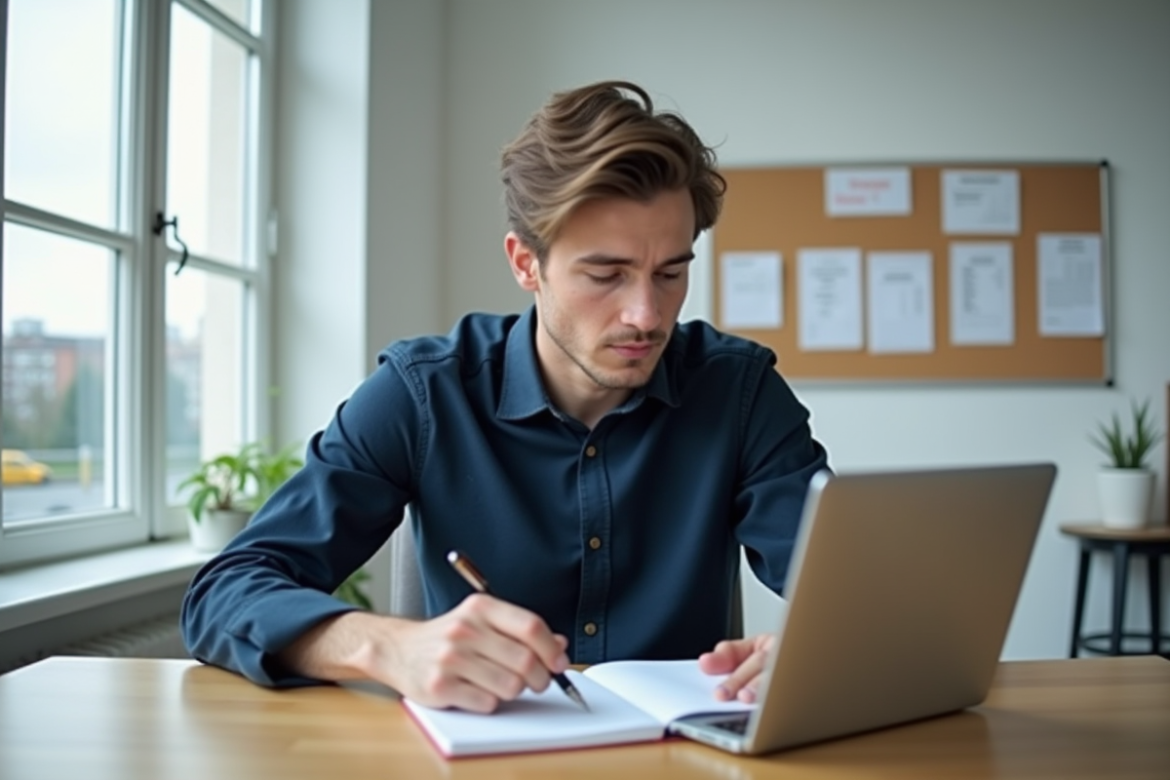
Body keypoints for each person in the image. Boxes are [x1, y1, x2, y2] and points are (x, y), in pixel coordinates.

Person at [181, 80, 829, 714]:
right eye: (606, 274)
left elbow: (861, 595)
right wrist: (384, 644)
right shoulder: (423, 392)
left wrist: (816, 652)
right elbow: (223, 592)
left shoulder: (741, 393)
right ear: (526, 263)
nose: (646, 313)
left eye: (671, 273)